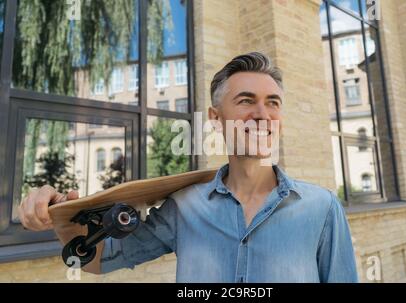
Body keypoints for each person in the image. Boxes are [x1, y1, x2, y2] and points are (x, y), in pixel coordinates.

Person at [19, 52, 358, 283]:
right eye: (246, 101)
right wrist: (59, 215)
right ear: (215, 119)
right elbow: (90, 261)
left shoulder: (322, 208)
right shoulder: (185, 206)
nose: (263, 114)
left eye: (273, 103)